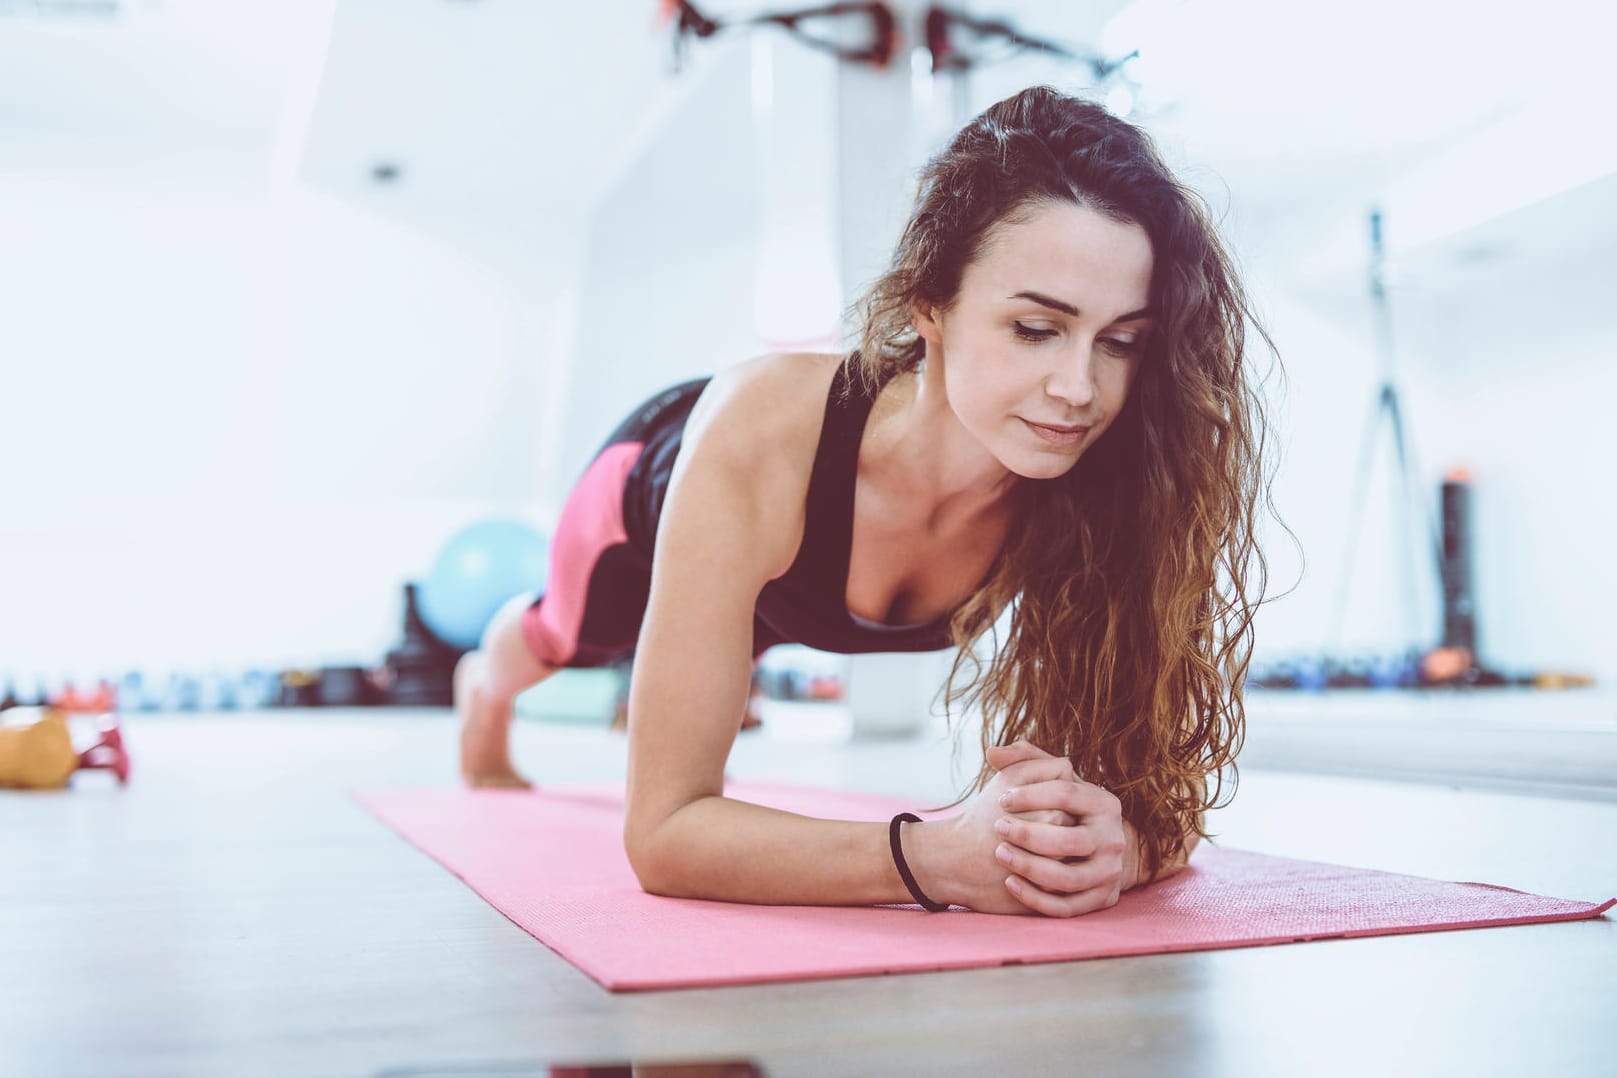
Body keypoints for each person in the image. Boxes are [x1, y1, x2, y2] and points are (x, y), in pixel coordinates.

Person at [455, 85, 1280, 918]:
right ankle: (481, 689)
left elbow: (1162, 799)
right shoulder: (758, 438)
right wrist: (934, 857)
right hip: (654, 495)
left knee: (704, 672)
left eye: (1119, 342)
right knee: (564, 633)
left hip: (779, 562)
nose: (1077, 390)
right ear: (930, 304)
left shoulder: (1104, 481)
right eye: (1034, 328)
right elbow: (664, 835)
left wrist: (1120, 847)